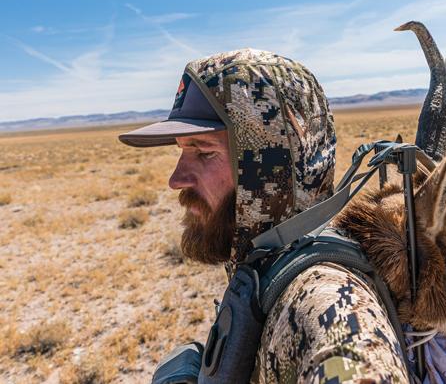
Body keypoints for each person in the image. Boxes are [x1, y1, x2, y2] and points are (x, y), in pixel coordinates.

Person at [119, 49, 409, 383]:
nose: (176, 179)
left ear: (271, 166)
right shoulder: (267, 267)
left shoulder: (330, 310)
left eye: (204, 152)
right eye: (183, 151)